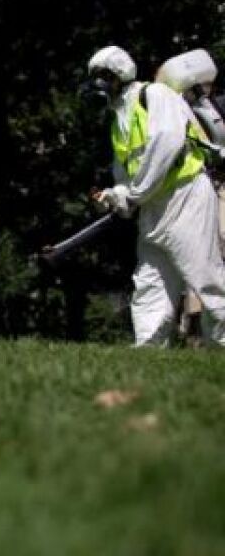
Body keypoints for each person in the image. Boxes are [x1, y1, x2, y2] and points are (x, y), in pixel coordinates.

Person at [86, 45, 225, 347]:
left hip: (184, 196)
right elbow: (125, 173)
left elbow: (167, 142)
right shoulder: (117, 121)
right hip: (152, 207)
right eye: (95, 77)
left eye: (105, 76)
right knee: (150, 282)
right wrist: (117, 195)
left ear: (121, 73)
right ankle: (149, 348)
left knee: (206, 277)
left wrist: (134, 193)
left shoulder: (155, 95)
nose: (100, 84)